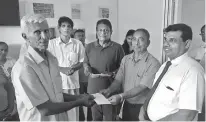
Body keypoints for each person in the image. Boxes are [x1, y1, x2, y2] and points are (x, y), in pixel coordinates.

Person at [11, 14, 94, 121]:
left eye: (46, 31)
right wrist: (79, 102)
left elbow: (56, 94)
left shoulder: (52, 60)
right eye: (37, 32)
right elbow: (45, 108)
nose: (45, 37)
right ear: (25, 36)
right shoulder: (24, 68)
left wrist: (79, 97)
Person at [139, 23, 205, 121]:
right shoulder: (165, 66)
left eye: (172, 40)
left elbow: (186, 115)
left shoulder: (192, 71)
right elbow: (155, 91)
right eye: (165, 39)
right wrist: (143, 109)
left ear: (187, 44)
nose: (166, 44)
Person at [101, 29, 160, 121]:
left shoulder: (153, 63)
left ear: (148, 43)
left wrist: (121, 96)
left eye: (141, 39)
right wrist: (109, 90)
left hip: (143, 107)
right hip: (127, 104)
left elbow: (141, 87)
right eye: (134, 39)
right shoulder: (126, 59)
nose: (137, 43)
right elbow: (118, 80)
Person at [84, 19, 125, 121]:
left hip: (110, 89)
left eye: (106, 30)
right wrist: (87, 69)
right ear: (96, 32)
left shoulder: (117, 48)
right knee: (95, 118)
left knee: (109, 118)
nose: (103, 33)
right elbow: (86, 63)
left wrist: (113, 73)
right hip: (93, 89)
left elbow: (123, 67)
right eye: (100, 30)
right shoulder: (89, 47)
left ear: (111, 32)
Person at [48, 16, 85, 121]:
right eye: (63, 26)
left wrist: (74, 68)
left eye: (69, 26)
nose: (66, 28)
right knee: (59, 115)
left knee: (73, 115)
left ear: (72, 29)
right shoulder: (51, 44)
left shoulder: (77, 44)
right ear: (58, 28)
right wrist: (61, 69)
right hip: (57, 85)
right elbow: (48, 63)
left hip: (73, 84)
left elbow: (82, 62)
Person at [74, 29, 93, 121]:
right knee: (79, 101)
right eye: (78, 36)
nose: (81, 37)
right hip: (78, 80)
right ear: (74, 37)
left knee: (91, 99)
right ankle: (81, 118)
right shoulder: (72, 48)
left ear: (85, 37)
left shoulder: (89, 48)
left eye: (82, 35)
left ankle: (90, 118)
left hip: (89, 80)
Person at [189, 25, 205, 121]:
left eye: (204, 32)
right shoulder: (196, 51)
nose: (202, 34)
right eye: (202, 32)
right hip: (198, 88)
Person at [0, 42, 17, 121]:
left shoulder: (13, 62)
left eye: (5, 50)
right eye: (1, 50)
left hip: (14, 93)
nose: (3, 52)